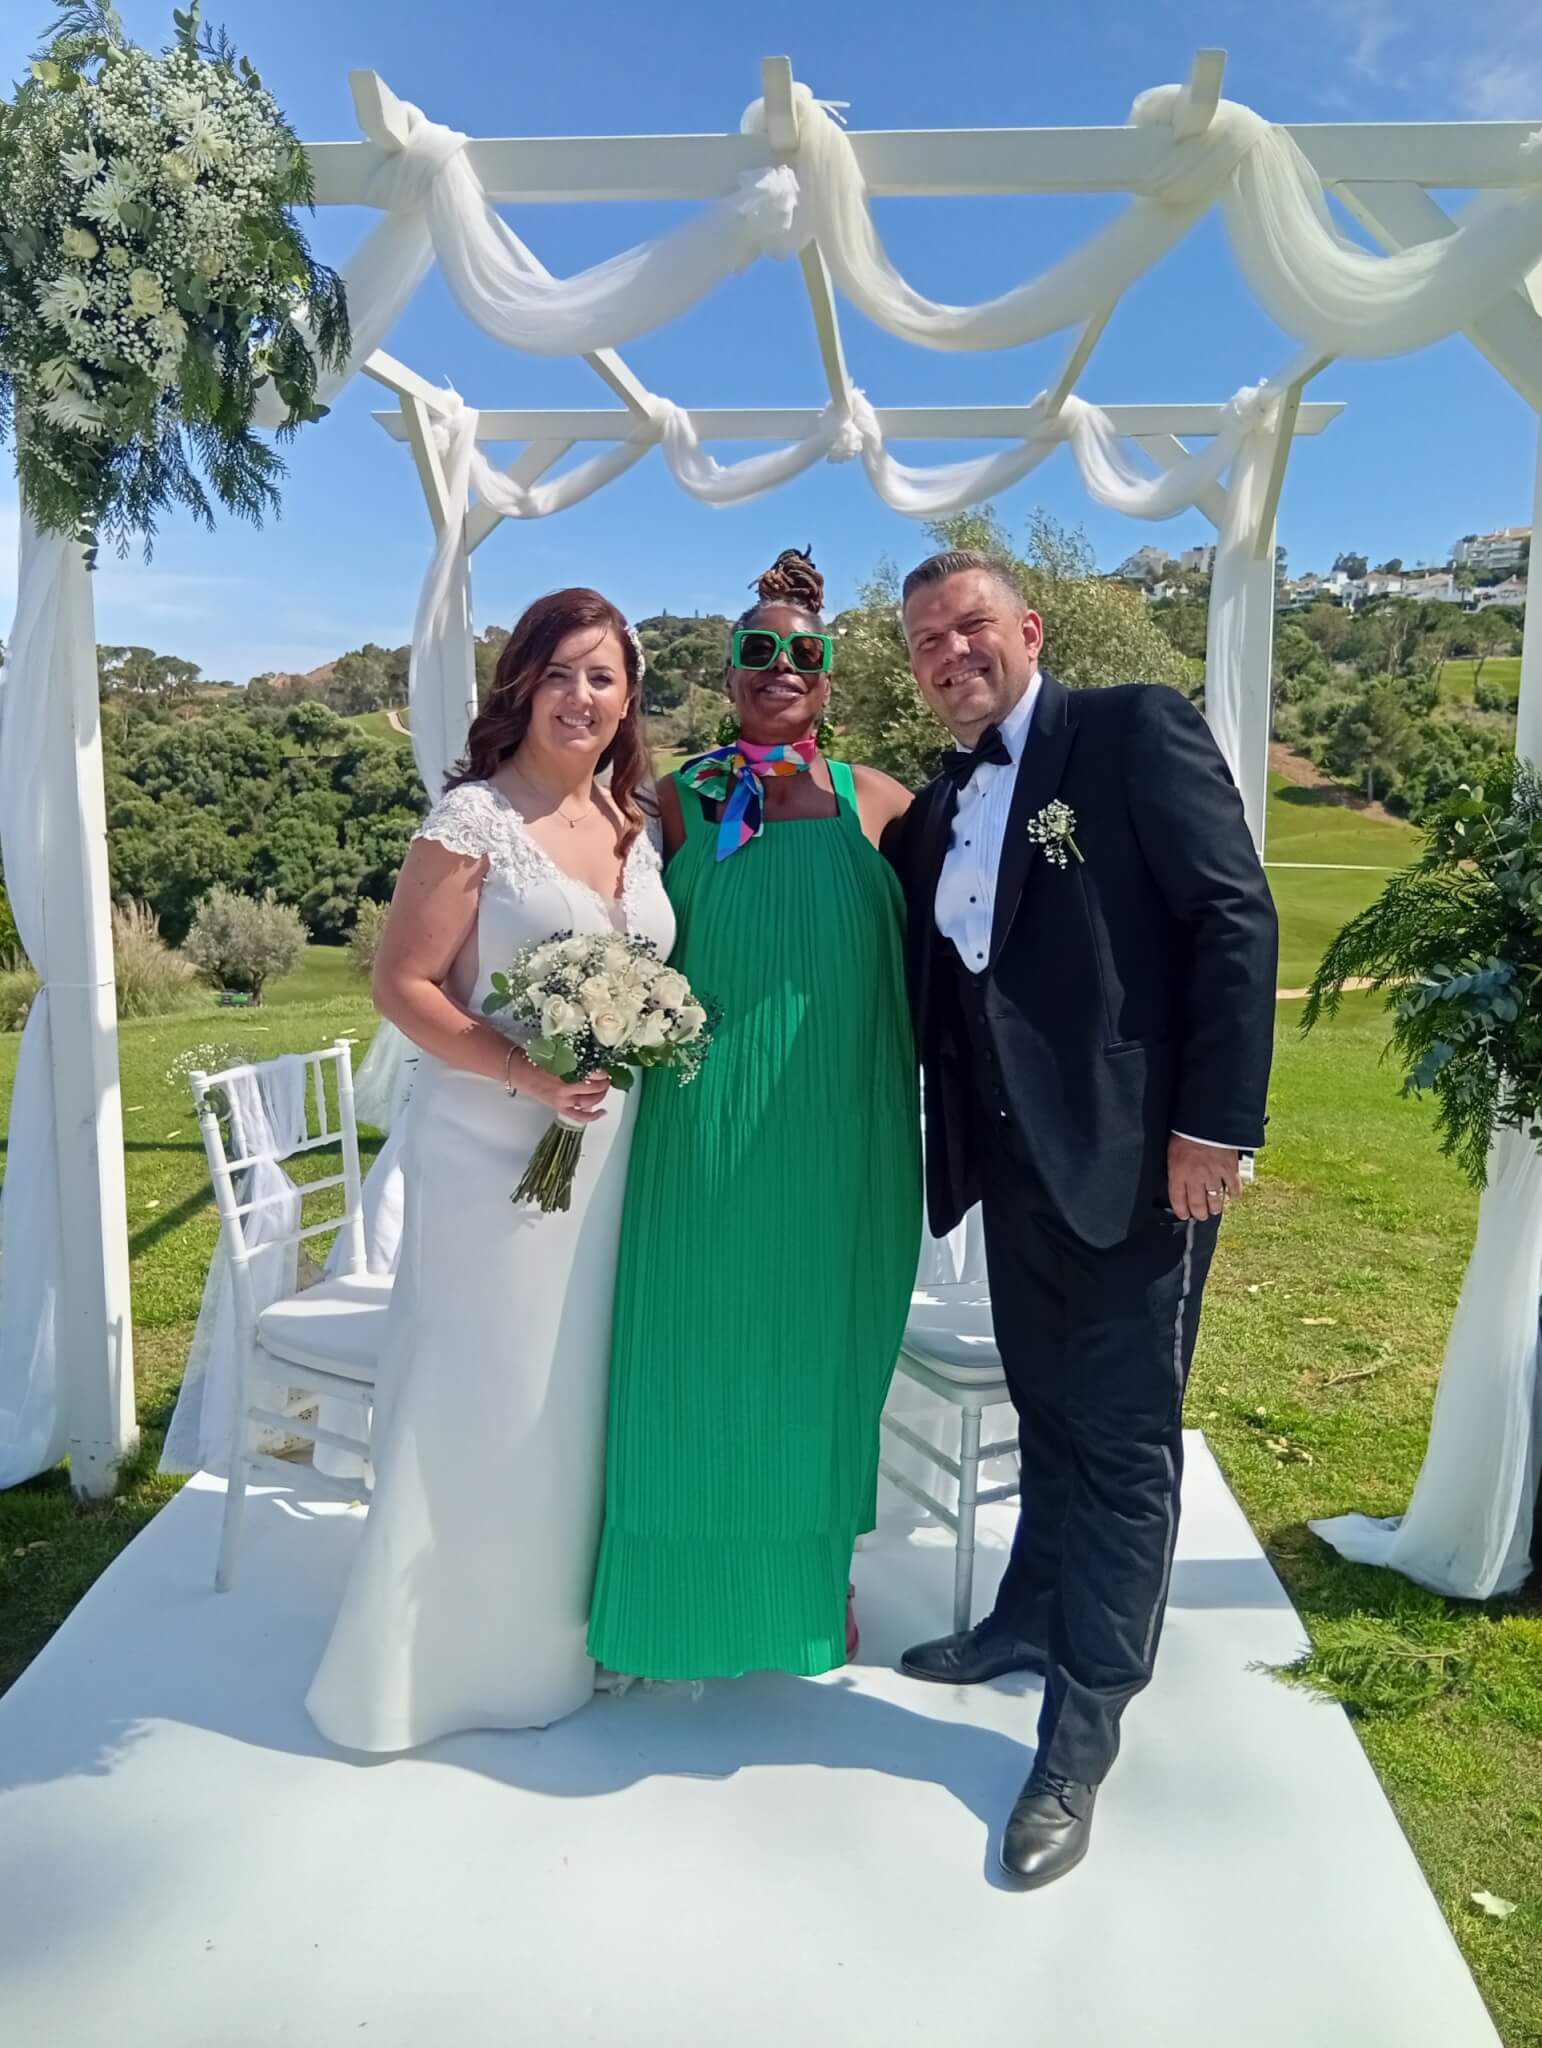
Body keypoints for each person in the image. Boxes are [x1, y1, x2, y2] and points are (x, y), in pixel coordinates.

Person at [884, 550, 1277, 1887]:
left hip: (1137, 1163)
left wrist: (1213, 1126)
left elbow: (1232, 918)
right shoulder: (938, 806)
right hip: (1014, 1171)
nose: (951, 653)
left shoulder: (1128, 729)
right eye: (927, 640)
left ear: (1029, 628)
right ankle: (1028, 1613)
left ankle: (1082, 1725)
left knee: (1121, 1441)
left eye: (969, 625)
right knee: (1047, 1412)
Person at [306, 589, 674, 1751]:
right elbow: (401, 983)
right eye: (559, 672)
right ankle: (445, 1666)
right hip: (490, 1155)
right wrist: (524, 1070)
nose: (581, 696)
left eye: (602, 676)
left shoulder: (632, 818)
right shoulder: (473, 818)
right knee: (488, 1391)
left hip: (604, 1160)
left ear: (629, 697)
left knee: (572, 1396)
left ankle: (554, 1637)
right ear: (521, 685)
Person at [586, 548, 921, 1680]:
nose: (782, 666)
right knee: (692, 1353)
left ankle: (812, 1584)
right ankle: (668, 1606)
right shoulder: (675, 802)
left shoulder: (881, 803)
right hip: (702, 1134)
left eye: (803, 654)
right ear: (728, 672)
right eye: (759, 649)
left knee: (820, 1359)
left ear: (828, 678)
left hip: (845, 1134)